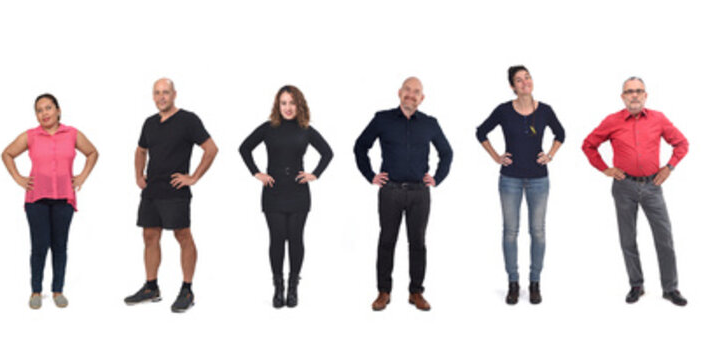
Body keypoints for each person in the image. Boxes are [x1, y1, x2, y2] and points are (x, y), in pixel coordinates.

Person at [581, 77, 689, 307]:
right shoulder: (612, 121)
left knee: (664, 238)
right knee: (627, 238)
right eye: (629, 91)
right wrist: (605, 169)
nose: (634, 95)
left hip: (653, 186)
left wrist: (669, 167)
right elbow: (588, 145)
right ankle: (636, 285)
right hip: (624, 187)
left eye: (639, 91)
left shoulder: (658, 119)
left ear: (646, 95)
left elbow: (682, 143)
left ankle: (670, 288)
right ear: (623, 97)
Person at [353, 77, 452, 311]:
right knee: (387, 241)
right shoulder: (382, 119)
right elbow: (360, 147)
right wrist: (370, 175)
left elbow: (447, 153)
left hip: (420, 193)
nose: (411, 94)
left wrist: (437, 177)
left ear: (422, 98)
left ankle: (416, 292)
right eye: (407, 90)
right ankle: (383, 292)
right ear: (399, 93)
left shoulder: (430, 124)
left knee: (418, 243)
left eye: (416, 91)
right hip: (390, 191)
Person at [123, 78, 217, 313]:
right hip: (152, 190)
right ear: (153, 96)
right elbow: (140, 150)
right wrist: (138, 175)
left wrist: (193, 177)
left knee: (182, 236)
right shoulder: (149, 123)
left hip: (176, 190)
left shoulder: (188, 120)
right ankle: (151, 287)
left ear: (175, 94)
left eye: (165, 92)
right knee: (149, 236)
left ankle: (187, 289)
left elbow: (211, 148)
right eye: (157, 93)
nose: (161, 97)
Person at [473, 66, 564, 305]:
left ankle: (535, 283)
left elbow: (561, 133)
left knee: (538, 232)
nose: (525, 82)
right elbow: (481, 132)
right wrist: (496, 157)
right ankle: (513, 283)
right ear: (512, 86)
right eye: (519, 80)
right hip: (510, 179)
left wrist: (550, 155)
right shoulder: (504, 110)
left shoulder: (545, 110)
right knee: (510, 232)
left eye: (528, 77)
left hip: (539, 179)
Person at [0, 93, 98, 309]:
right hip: (37, 199)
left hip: (64, 198)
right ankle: (36, 290)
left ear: (58, 110)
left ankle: (58, 290)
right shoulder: (31, 136)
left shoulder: (72, 134)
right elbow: (7, 153)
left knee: (60, 245)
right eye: (39, 110)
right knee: (39, 245)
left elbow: (92, 152)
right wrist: (18, 178)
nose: (44, 113)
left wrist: (81, 177)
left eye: (48, 108)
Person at [238, 85, 332, 309]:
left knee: (296, 238)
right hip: (273, 191)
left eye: (292, 103)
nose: (287, 108)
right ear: (277, 105)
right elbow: (244, 148)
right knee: (277, 239)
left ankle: (293, 288)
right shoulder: (269, 128)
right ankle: (278, 288)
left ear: (299, 105)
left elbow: (328, 153)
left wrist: (314, 174)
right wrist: (257, 173)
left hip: (298, 192)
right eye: (283, 103)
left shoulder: (305, 129)